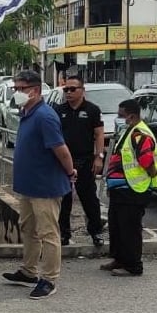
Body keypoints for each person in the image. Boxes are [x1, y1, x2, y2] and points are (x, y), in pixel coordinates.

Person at [2, 70, 76, 301]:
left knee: (48, 233)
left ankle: (49, 279)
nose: (17, 93)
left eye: (20, 89)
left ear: (34, 91)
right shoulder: (27, 113)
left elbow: (61, 149)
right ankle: (29, 271)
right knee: (28, 229)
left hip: (46, 186)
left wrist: (70, 171)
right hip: (28, 186)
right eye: (16, 88)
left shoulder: (44, 116)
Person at [101, 100, 157, 276]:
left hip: (133, 189)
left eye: (121, 115)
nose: (118, 118)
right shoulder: (128, 131)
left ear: (131, 115)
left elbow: (148, 163)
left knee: (130, 229)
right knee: (117, 226)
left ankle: (133, 266)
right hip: (120, 188)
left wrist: (146, 178)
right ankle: (120, 259)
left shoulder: (140, 134)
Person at [52, 75, 105, 247]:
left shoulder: (92, 110)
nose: (68, 92)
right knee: (64, 199)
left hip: (85, 160)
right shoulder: (59, 110)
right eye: (66, 89)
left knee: (89, 198)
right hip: (63, 161)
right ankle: (64, 234)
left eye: (72, 89)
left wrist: (99, 157)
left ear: (82, 90)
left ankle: (96, 231)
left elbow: (99, 134)